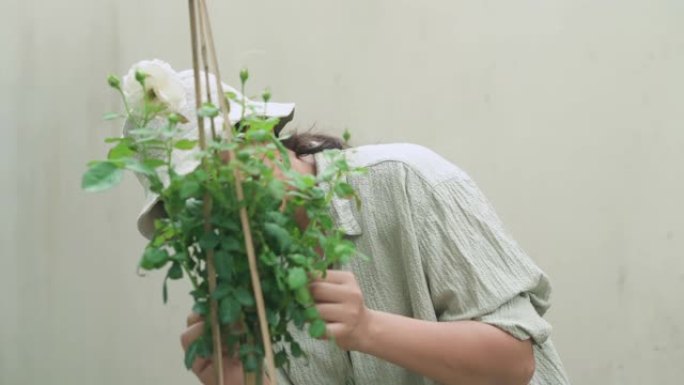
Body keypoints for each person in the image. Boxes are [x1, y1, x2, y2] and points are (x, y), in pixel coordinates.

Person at [126, 66, 571, 385]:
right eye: (188, 207)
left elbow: (514, 362)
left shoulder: (409, 181)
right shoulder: (242, 281)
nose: (211, 214)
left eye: (215, 185)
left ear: (260, 138)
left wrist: (368, 329)